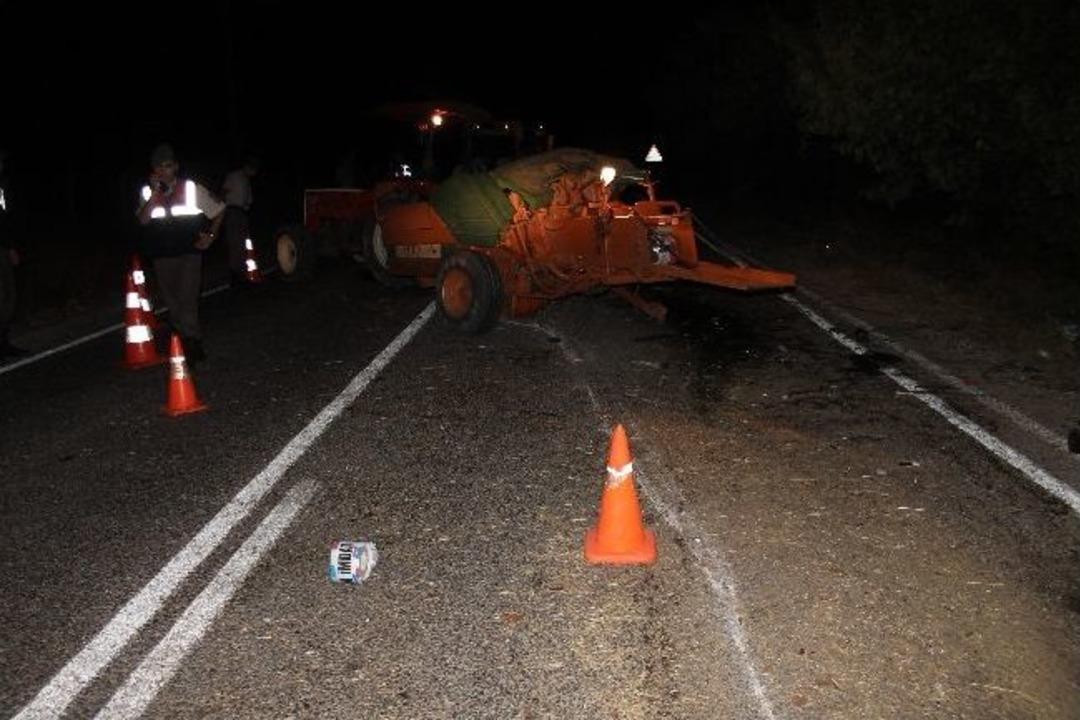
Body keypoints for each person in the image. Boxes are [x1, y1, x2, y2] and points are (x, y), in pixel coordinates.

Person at [136, 143, 225, 364]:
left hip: (189, 252)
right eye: (158, 167)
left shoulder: (191, 188)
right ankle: (182, 335)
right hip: (162, 254)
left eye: (167, 166)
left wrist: (211, 236)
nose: (163, 171)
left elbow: (219, 209)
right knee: (172, 300)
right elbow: (143, 220)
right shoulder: (147, 192)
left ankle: (192, 342)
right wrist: (155, 194)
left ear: (175, 167)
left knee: (187, 298)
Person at [0, 148, 27, 360]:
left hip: (3, 245)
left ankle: (4, 341)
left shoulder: (2, 185)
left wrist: (10, 245)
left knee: (9, 295)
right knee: (4, 295)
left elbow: (5, 218)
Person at [221, 155, 258, 284]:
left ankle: (242, 272)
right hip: (232, 211)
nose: (253, 174)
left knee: (243, 243)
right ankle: (234, 275)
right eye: (253, 170)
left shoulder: (247, 181)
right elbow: (224, 192)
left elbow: (249, 201)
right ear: (248, 167)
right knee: (234, 242)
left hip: (242, 212)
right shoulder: (234, 176)